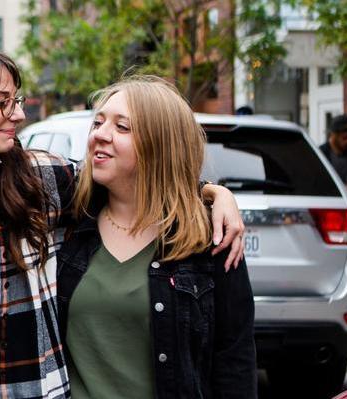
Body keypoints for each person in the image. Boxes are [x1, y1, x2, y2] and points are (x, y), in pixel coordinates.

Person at [0, 43, 245, 399]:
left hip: (13, 380)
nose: (17, 114)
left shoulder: (37, 180)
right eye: (1, 103)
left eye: (16, 101)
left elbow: (140, 178)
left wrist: (211, 194)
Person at [55, 75, 256, 399]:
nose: (99, 135)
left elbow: (234, 361)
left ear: (160, 145)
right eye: (98, 122)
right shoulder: (69, 220)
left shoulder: (209, 238)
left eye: (122, 127)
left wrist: (215, 193)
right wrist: (215, 190)